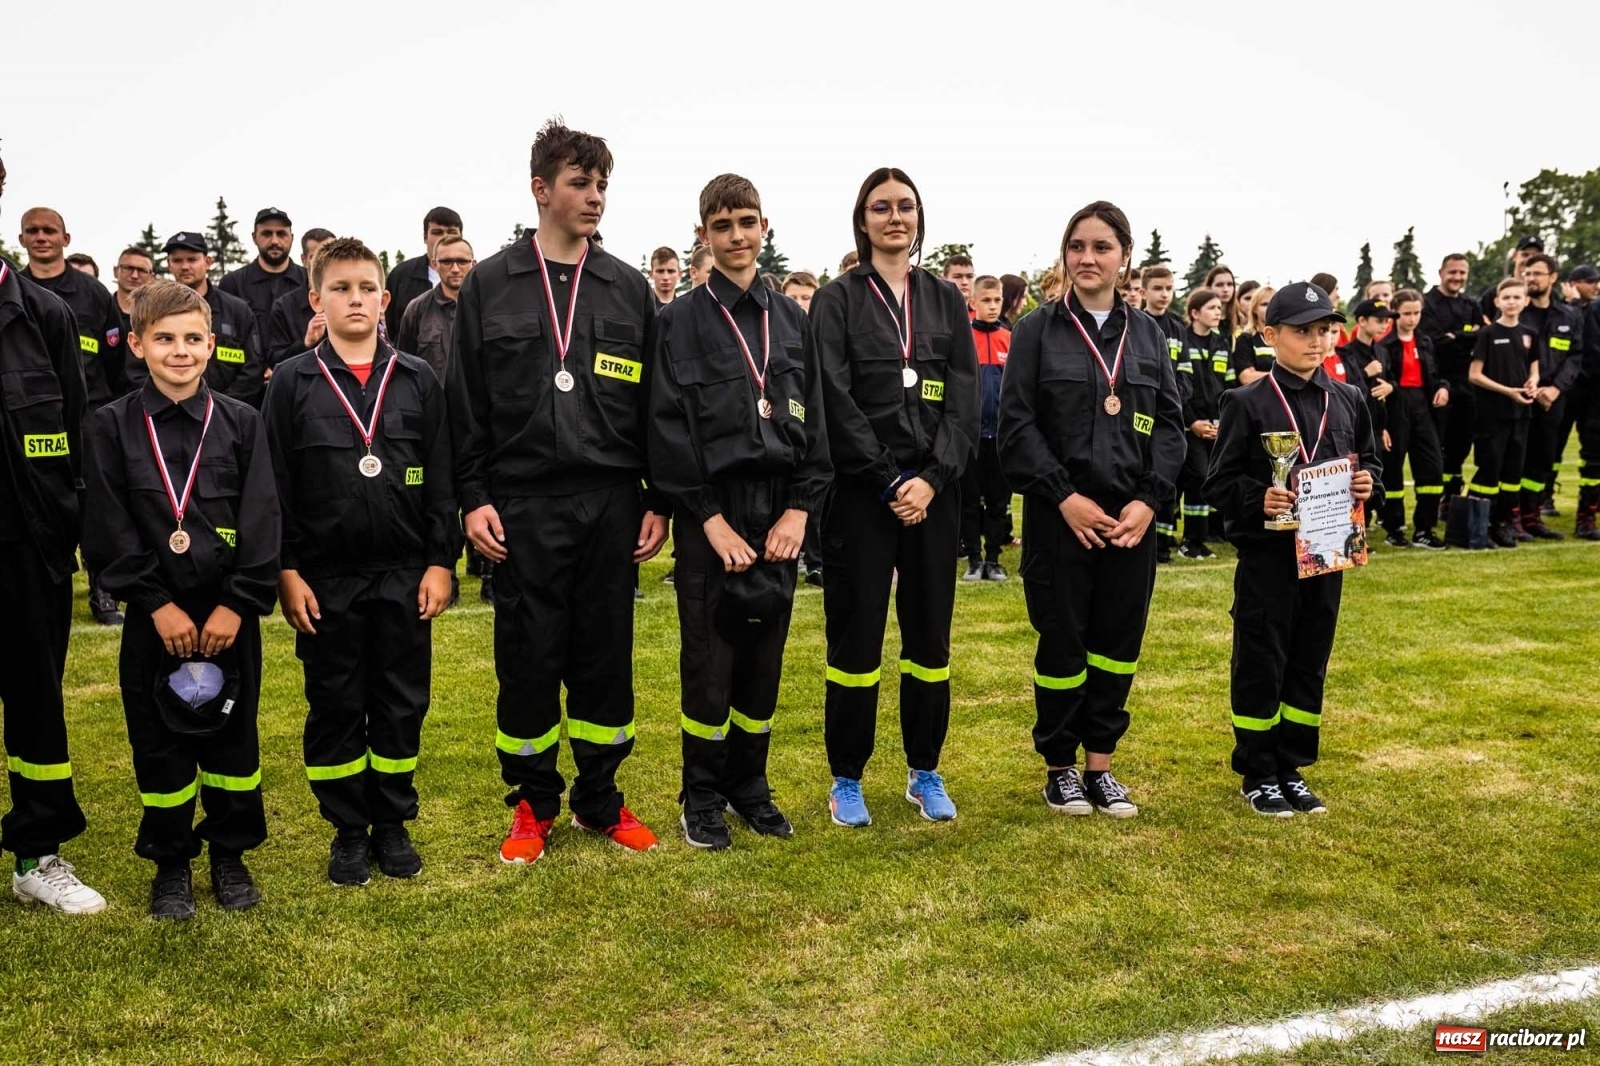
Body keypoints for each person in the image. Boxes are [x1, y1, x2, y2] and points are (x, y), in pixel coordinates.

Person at [450, 119, 667, 864]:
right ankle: (533, 802)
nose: (595, 196)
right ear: (541, 189)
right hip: (522, 504)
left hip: (610, 501)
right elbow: (465, 402)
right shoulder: (490, 283)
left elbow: (654, 408)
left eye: (602, 184)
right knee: (529, 656)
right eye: (580, 182)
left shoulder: (627, 288)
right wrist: (473, 495)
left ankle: (600, 799)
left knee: (605, 653)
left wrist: (657, 499)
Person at [82, 278, 281, 918]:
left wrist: (238, 603)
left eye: (193, 338)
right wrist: (153, 602)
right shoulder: (110, 425)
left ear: (211, 344)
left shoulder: (242, 422)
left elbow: (262, 518)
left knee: (232, 740)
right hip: (155, 617)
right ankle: (171, 863)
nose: (180, 351)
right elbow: (107, 526)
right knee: (157, 742)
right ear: (137, 344)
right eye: (164, 338)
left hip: (227, 615)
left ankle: (230, 854)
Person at [264, 238, 458, 886]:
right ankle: (348, 829)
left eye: (366, 288)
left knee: (401, 702)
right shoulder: (292, 382)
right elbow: (275, 486)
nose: (355, 299)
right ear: (315, 300)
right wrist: (287, 571)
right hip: (325, 580)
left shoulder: (418, 379)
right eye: (340, 288)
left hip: (404, 574)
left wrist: (440, 561)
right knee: (336, 704)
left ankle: (392, 821)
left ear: (385, 299)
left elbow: (440, 478)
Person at [647, 174, 830, 850]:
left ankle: (750, 787)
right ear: (703, 234)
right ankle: (701, 796)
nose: (736, 236)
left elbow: (819, 425)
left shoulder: (793, 320)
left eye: (746, 222)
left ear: (764, 227)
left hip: (778, 513)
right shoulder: (677, 322)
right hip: (712, 517)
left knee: (763, 660)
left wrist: (800, 511)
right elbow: (664, 430)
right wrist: (708, 518)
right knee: (709, 662)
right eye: (721, 226)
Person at [999, 201, 1184, 819]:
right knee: (1063, 643)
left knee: (1117, 644)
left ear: (1124, 257)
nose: (1087, 258)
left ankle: (1101, 766)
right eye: (1077, 246)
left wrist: (1149, 500)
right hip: (1061, 518)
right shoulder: (1036, 330)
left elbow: (1170, 427)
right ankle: (1060, 768)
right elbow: (1016, 426)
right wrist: (1064, 496)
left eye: (1101, 247)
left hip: (1130, 522)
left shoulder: (1149, 334)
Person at [812, 166, 977, 827]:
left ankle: (924, 770)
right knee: (856, 641)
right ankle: (847, 779)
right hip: (863, 495)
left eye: (905, 206)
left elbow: (963, 401)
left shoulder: (945, 300)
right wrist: (886, 479)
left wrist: (932, 478)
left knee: (929, 641)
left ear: (918, 217)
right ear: (863, 219)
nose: (894, 217)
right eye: (880, 207)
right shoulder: (836, 300)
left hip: (933, 496)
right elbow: (833, 398)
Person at [1204, 282, 1381, 817]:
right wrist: (1260, 496)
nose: (1316, 341)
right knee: (1262, 660)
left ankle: (1292, 765)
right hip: (1269, 558)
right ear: (1269, 335)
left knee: (1309, 658)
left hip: (1328, 554)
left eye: (1324, 330)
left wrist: (1368, 483)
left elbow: (1368, 460)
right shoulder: (1246, 401)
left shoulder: (1348, 398)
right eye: (1302, 331)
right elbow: (1218, 481)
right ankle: (1258, 771)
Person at [0, 152, 105, 915]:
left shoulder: (44, 316)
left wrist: (68, 530)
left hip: (27, 551)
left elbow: (75, 435)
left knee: (36, 706)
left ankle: (38, 855)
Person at [20, 206, 129, 625]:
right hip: (31, 421)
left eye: (50, 230)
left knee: (96, 503)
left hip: (88, 416)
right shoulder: (14, 290)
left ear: (66, 239)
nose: (41, 237)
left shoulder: (93, 293)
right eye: (32, 231)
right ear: (22, 239)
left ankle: (104, 590)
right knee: (40, 501)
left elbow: (115, 359)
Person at [1371, 291, 1449, 548]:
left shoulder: (1425, 341)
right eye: (1407, 313)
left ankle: (1425, 529)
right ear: (1395, 313)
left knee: (1432, 467)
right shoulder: (1383, 345)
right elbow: (1379, 384)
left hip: (1424, 408)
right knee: (1393, 469)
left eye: (1417, 313)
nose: (1412, 318)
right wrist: (1382, 425)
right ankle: (1394, 528)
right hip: (1396, 409)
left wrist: (1443, 387)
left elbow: (1437, 373)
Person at [1515, 253, 1584, 538]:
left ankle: (1532, 517)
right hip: (1520, 398)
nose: (1531, 279)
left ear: (1553, 277)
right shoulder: (1518, 312)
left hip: (1553, 399)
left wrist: (1555, 388)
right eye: (1528, 274)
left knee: (1542, 459)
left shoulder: (1569, 315)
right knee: (1515, 458)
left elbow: (1575, 356)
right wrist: (1527, 387)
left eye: (1537, 274)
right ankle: (1511, 518)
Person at [1468, 278, 1539, 548]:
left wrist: (1532, 383)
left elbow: (1534, 369)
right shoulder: (1487, 333)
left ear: (1525, 301)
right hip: (1492, 415)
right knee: (1490, 468)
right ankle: (1480, 526)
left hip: (1520, 414)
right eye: (1506, 297)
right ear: (1497, 301)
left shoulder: (1530, 333)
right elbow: (1475, 375)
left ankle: (1502, 523)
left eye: (1516, 297)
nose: (1511, 302)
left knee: (1512, 472)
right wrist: (1508, 391)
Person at [164, 232, 265, 406]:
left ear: (208, 262)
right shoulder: (158, 312)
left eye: (192, 259)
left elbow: (253, 367)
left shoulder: (237, 311)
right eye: (177, 260)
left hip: (230, 412)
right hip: (172, 410)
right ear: (169, 264)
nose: (185, 266)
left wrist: (220, 407)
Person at [960, 275, 1013, 581]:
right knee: (969, 501)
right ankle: (973, 559)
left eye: (997, 300)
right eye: (986, 300)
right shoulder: (964, 338)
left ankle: (993, 559)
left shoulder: (1009, 338)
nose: (993, 306)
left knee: (998, 502)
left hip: (1000, 438)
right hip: (971, 437)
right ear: (973, 302)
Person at [1419, 254, 1481, 506]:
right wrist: (1464, 337)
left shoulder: (1471, 304)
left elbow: (1480, 337)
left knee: (1462, 444)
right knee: (1438, 444)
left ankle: (1452, 495)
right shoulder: (1426, 303)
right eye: (1452, 272)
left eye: (1462, 273)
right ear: (1441, 272)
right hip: (1438, 383)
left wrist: (1455, 337)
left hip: (1467, 385)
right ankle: (1438, 498)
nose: (1457, 277)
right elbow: (1434, 342)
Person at [1176, 287, 1228, 558]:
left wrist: (1224, 422)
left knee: (1211, 478)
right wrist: (1192, 421)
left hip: (1217, 425)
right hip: (1190, 426)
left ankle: (1202, 538)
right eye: (1211, 308)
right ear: (1195, 313)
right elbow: (1179, 388)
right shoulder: (1183, 340)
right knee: (1196, 477)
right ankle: (1190, 541)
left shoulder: (1222, 343)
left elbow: (1229, 386)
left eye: (1219, 307)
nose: (1218, 312)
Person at [1141, 266, 1186, 561]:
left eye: (1169, 288)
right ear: (1143, 291)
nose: (1164, 294)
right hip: (1145, 412)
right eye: (1158, 288)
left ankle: (1164, 541)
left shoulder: (1178, 328)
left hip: (1171, 412)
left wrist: (1176, 401)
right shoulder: (1136, 324)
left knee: (1169, 475)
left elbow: (1185, 374)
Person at [219, 208, 307, 344]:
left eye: (281, 234)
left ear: (292, 238)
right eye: (267, 234)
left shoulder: (309, 281)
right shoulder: (233, 284)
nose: (274, 241)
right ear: (254, 237)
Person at [397, 235, 473, 384]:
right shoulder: (417, 309)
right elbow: (404, 365)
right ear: (434, 264)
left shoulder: (486, 307)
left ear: (473, 263)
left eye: (462, 261)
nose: (455, 269)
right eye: (447, 262)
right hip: (431, 397)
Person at [384, 207, 463, 341]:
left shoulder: (476, 278)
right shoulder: (401, 276)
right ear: (425, 237)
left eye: (452, 232)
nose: (445, 238)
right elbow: (392, 328)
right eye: (437, 232)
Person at [264, 228, 335, 370]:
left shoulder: (353, 301)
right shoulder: (284, 307)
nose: (325, 263)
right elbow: (275, 360)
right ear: (304, 260)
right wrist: (306, 343)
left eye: (331, 256)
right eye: (316, 257)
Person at [113, 247, 157, 384]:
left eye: (142, 270)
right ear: (115, 271)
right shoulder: (100, 312)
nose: (134, 275)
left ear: (152, 277)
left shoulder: (160, 317)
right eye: (128, 268)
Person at [1231, 284, 1277, 386]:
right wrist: (1282, 377)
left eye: (1273, 304)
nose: (1269, 308)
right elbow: (1247, 378)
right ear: (1254, 309)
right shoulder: (1245, 339)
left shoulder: (1285, 337)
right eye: (1264, 304)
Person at [1203, 264, 1238, 341]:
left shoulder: (1240, 319)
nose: (1226, 289)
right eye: (1219, 285)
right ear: (1209, 287)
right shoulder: (1201, 320)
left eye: (1230, 284)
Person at [649, 246, 681, 311]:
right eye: (660, 271)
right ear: (651, 274)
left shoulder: (685, 309)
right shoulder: (641, 308)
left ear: (679, 274)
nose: (665, 277)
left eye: (671, 271)